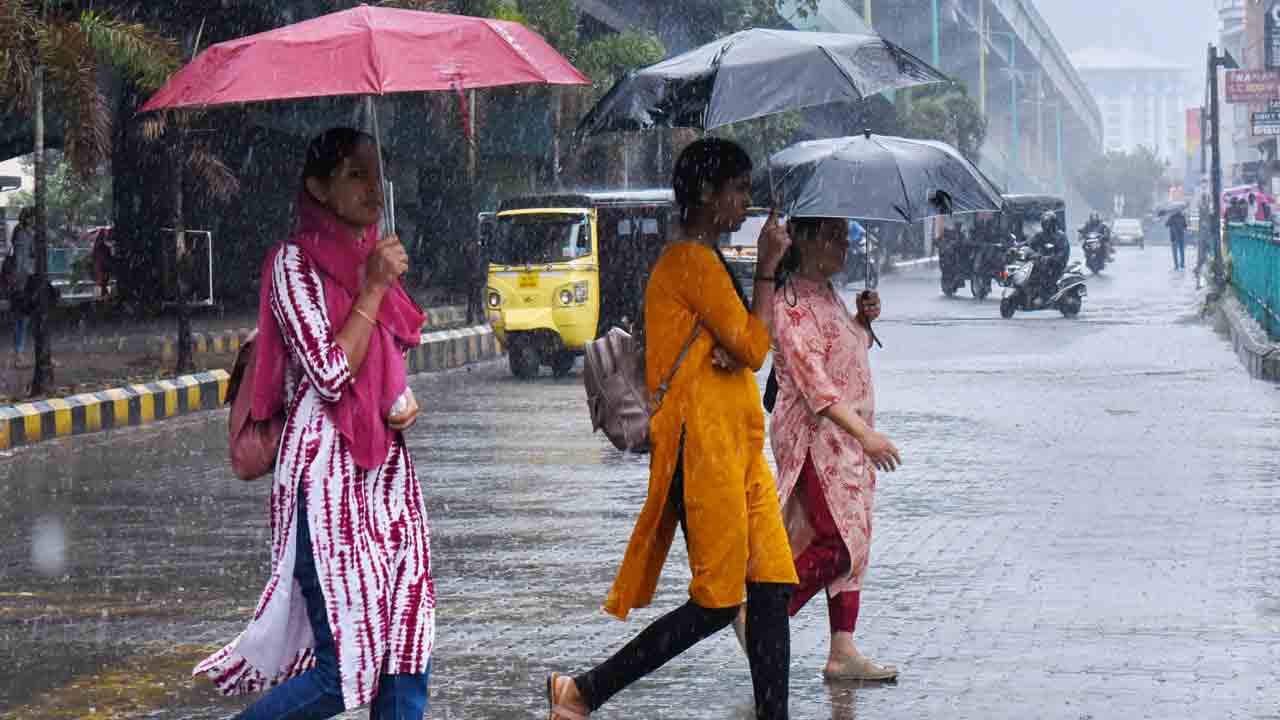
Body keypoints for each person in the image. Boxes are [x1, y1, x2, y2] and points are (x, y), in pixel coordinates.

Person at [545, 138, 798, 720]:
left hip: (739, 452)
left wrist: (736, 338)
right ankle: (584, 691)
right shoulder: (689, 262)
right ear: (707, 196)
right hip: (703, 452)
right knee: (716, 602)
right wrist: (764, 268)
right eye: (736, 189)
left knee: (771, 585)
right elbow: (755, 346)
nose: (744, 202)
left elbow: (739, 343)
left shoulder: (704, 262)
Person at [195, 128, 436, 720]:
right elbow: (329, 374)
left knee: (407, 644)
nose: (371, 188)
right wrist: (373, 287)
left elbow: (384, 365)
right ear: (317, 188)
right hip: (326, 477)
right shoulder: (293, 264)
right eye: (355, 174)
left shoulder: (372, 256)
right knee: (344, 671)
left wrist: (400, 394)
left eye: (375, 174)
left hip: (386, 473)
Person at [769, 217, 903, 682]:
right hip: (817, 438)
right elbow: (815, 385)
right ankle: (765, 612)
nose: (845, 244)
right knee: (838, 543)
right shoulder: (790, 302)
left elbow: (846, 353)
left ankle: (842, 648)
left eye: (845, 236)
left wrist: (862, 322)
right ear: (805, 240)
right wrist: (865, 437)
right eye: (834, 236)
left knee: (856, 539)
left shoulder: (826, 293)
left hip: (847, 439)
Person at [9, 207, 34, 367]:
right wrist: (20, 283)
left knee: (22, 319)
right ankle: (19, 355)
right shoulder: (23, 234)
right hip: (22, 281)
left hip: (21, 280)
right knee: (23, 319)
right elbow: (21, 260)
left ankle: (19, 354)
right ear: (28, 218)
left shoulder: (21, 233)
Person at [1029, 211, 1069, 302]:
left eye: (1047, 223)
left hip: (1057, 263)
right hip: (1042, 260)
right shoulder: (1040, 235)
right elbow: (1030, 243)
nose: (1046, 225)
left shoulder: (1060, 236)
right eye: (1044, 223)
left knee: (1045, 273)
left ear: (1053, 223)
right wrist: (1018, 247)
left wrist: (1053, 258)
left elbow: (1064, 251)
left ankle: (1045, 296)